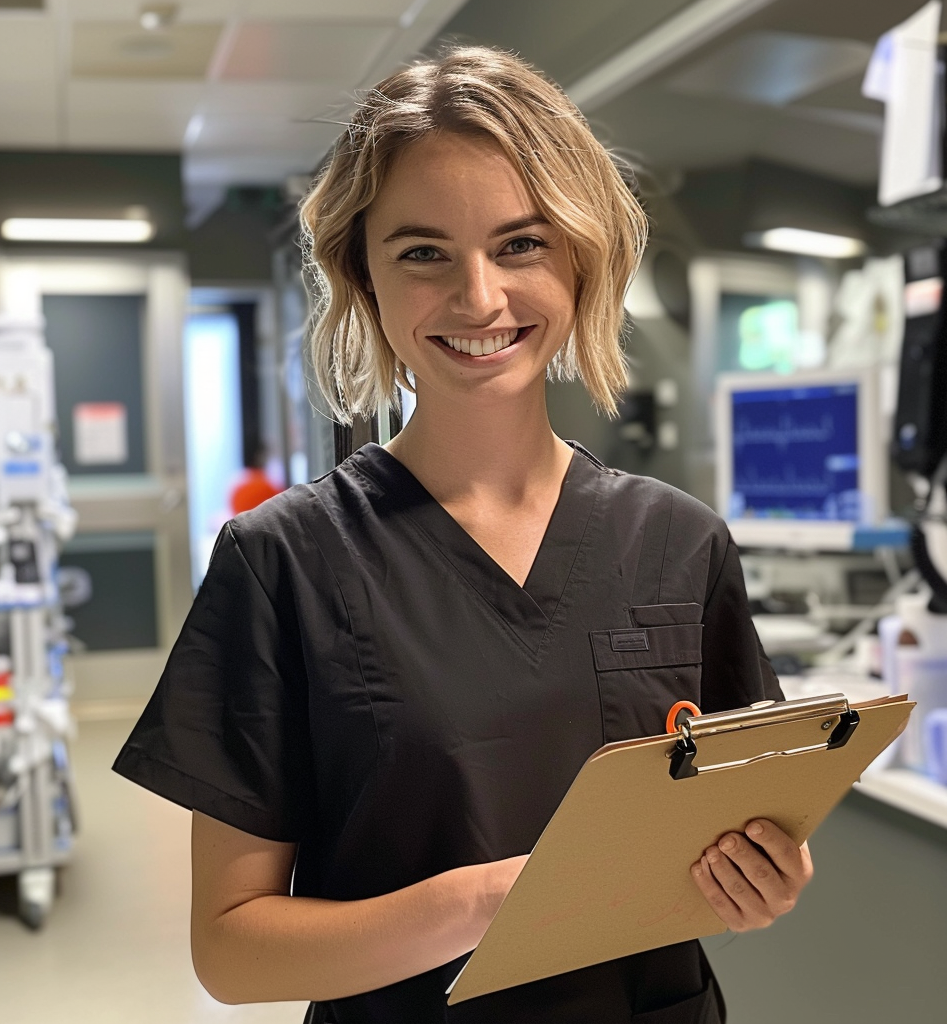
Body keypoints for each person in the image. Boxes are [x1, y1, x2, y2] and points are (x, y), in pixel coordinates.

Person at [113, 46, 812, 1023]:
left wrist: (762, 881)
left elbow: (741, 837)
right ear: (365, 276)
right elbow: (231, 950)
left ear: (580, 254)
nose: (478, 298)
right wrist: (491, 900)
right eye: (423, 252)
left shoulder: (679, 543)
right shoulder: (285, 561)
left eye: (520, 244)